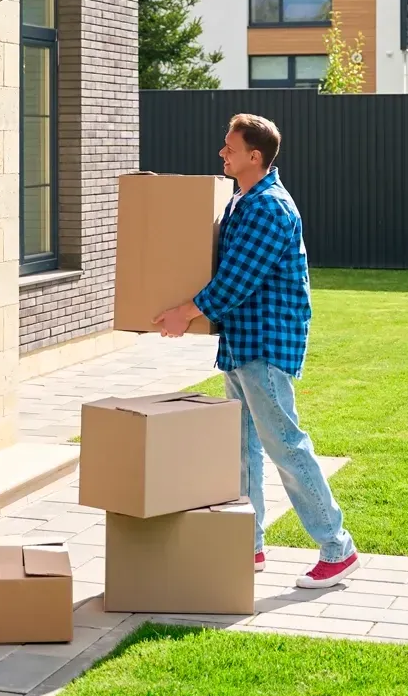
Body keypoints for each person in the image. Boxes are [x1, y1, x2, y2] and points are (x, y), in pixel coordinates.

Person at [153, 113, 358, 589]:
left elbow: (237, 281)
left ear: (254, 156)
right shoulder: (244, 201)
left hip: (264, 344)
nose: (222, 153)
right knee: (242, 450)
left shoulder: (269, 208)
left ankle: (337, 547)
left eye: (229, 147)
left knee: (284, 445)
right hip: (242, 342)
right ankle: (248, 548)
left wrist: (186, 311)